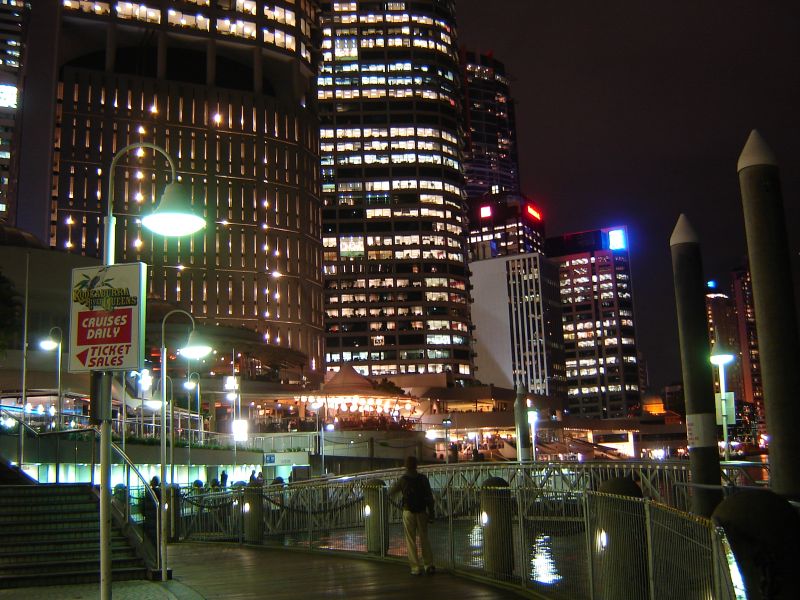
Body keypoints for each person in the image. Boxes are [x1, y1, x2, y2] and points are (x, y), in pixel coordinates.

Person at [389, 456, 435, 575]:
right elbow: (429, 497)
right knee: (424, 538)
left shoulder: (403, 479)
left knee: (410, 540)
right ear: (416, 465)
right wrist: (431, 513)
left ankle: (415, 567)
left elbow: (391, 492)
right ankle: (428, 564)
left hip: (408, 511)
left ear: (406, 466)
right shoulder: (423, 479)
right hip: (422, 511)